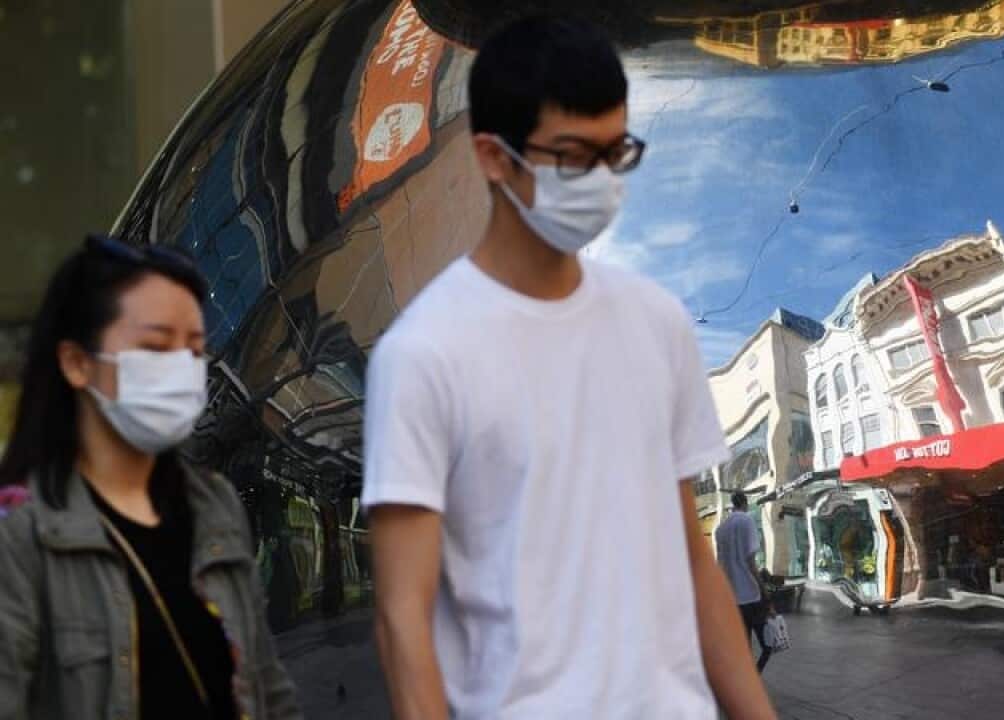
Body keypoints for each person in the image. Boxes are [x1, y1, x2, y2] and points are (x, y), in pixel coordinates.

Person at [362, 15, 775, 720]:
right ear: (493, 157)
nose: (602, 180)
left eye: (616, 153)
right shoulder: (424, 354)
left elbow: (691, 560)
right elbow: (404, 618)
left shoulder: (656, 323)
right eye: (574, 157)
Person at [0, 236, 301, 719]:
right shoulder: (21, 533)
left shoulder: (213, 504)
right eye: (156, 347)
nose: (181, 369)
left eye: (194, 350)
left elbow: (269, 688)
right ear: (77, 363)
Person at [716, 491, 773, 672]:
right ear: (745, 503)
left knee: (744, 649)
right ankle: (754, 678)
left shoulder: (721, 528)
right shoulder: (746, 521)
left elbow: (720, 566)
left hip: (733, 599)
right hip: (751, 596)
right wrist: (765, 591)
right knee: (768, 645)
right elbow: (750, 562)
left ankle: (747, 680)